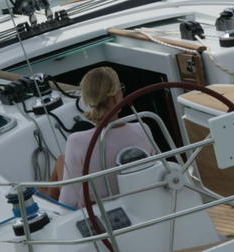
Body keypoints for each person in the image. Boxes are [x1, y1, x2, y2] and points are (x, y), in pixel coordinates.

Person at [46, 67, 156, 209]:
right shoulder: (142, 129)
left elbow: (67, 202)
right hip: (141, 203)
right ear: (116, 97)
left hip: (99, 211)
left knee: (61, 161)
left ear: (87, 99)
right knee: (61, 161)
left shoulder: (77, 142)